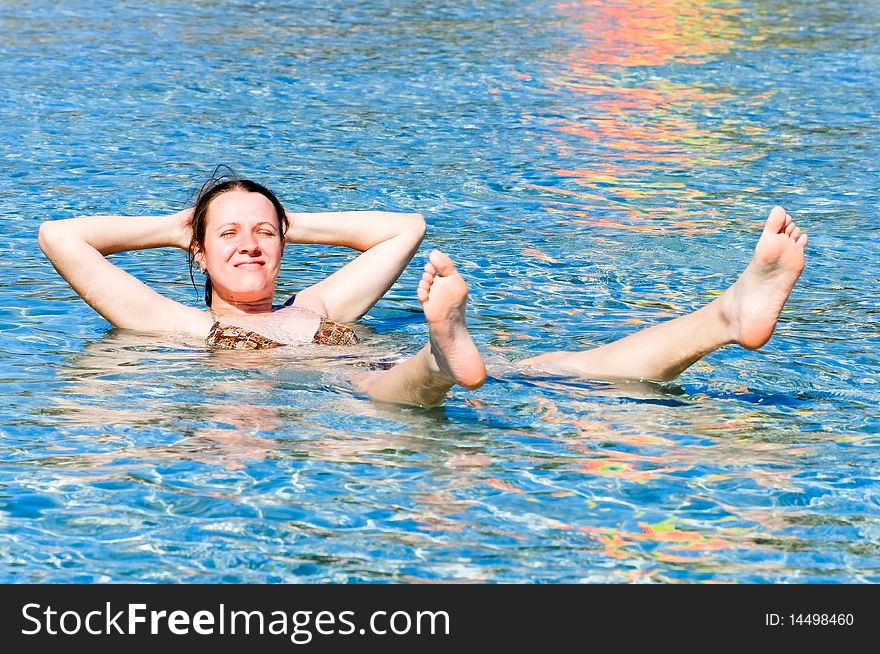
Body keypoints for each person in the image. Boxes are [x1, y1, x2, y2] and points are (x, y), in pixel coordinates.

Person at [38, 171, 807, 407]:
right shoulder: (175, 325)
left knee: (583, 365)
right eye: (228, 234)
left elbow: (402, 226)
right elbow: (59, 236)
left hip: (366, 371)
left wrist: (287, 217)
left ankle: (726, 314)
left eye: (263, 234)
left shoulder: (319, 306)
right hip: (348, 399)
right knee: (394, 381)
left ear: (284, 247)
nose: (249, 243)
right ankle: (442, 355)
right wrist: (180, 222)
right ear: (198, 253)